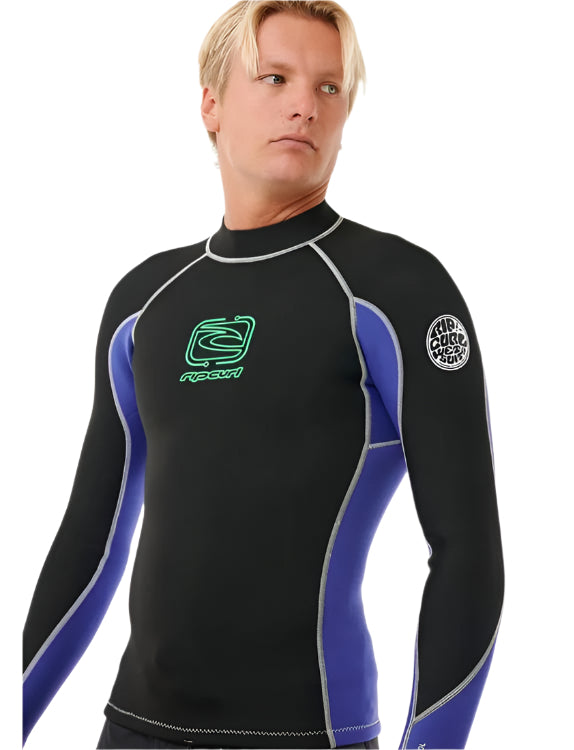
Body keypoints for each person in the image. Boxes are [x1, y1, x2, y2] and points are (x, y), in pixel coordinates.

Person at [21, 1, 505, 748]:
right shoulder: (144, 302)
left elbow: (467, 554)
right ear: (211, 105)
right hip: (131, 729)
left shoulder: (394, 289)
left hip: (305, 734)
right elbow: (89, 543)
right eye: (275, 78)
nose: (305, 105)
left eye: (329, 86)